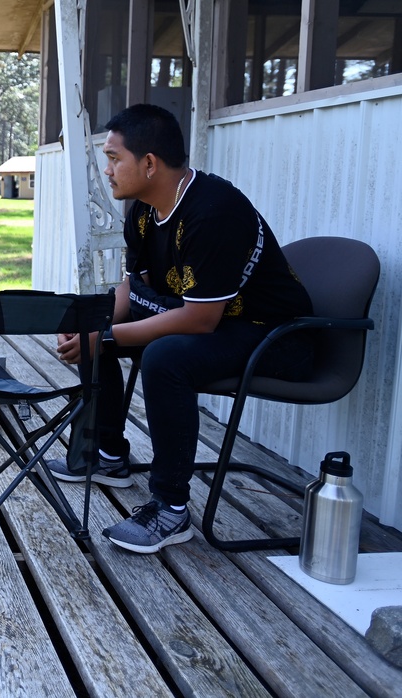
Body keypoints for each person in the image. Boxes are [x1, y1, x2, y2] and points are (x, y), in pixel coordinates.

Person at [48, 104, 313, 554]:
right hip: (219, 321)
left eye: (114, 158)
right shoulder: (144, 211)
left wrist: (106, 336)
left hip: (279, 336)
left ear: (149, 163)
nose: (106, 170)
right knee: (96, 322)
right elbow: (134, 290)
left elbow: (198, 319)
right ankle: (106, 452)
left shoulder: (214, 212)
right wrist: (91, 329)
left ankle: (170, 509)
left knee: (165, 357)